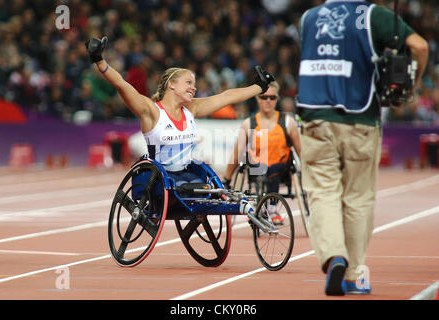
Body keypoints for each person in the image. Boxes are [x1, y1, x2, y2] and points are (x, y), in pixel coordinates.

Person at [296, 0, 428, 296]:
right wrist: (411, 85)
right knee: (357, 198)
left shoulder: (308, 18)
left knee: (322, 193)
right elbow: (419, 46)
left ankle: (334, 256)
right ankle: (354, 274)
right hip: (361, 119)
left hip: (315, 117)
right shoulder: (374, 16)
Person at [85, 36, 275, 186]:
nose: (193, 88)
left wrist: (260, 87)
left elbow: (226, 97)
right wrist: (99, 61)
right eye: (188, 83)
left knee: (209, 187)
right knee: (191, 186)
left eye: (194, 84)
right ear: (172, 86)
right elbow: (122, 85)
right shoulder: (151, 110)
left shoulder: (192, 109)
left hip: (189, 174)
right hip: (161, 178)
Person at [223, 81, 301, 224]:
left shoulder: (287, 122)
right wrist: (226, 180)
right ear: (257, 99)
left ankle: (271, 208)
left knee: (273, 170)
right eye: (264, 97)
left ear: (277, 99)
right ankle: (262, 206)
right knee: (259, 167)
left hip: (281, 168)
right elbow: (237, 154)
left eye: (272, 97)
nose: (268, 101)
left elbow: (300, 152)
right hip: (257, 168)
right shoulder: (248, 124)